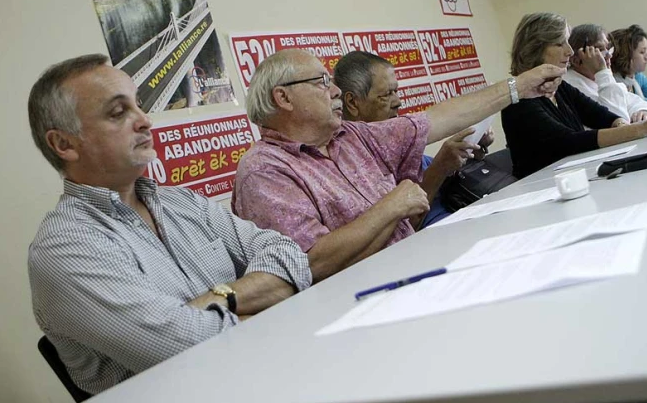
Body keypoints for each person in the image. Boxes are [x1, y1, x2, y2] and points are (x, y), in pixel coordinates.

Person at [27, 54, 312, 394]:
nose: (145, 120)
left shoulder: (178, 201)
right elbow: (189, 350)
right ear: (64, 144)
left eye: (139, 105)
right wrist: (264, 300)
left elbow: (289, 254)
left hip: (270, 375)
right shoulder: (63, 249)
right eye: (119, 112)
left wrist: (217, 300)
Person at [232, 48, 564, 282]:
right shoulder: (264, 172)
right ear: (284, 98)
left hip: (420, 270)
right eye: (320, 81)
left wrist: (516, 88)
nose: (334, 90)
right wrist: (392, 206)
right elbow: (310, 263)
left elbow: (436, 119)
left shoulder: (352, 136)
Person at [333, 50, 493, 227]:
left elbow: (448, 184)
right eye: (386, 95)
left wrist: (470, 150)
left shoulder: (402, 142)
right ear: (353, 103)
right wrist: (440, 167)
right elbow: (402, 228)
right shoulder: (355, 165)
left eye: (396, 91)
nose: (398, 102)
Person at [501, 13, 647, 179]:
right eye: (560, 44)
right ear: (536, 48)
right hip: (541, 187)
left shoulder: (559, 86)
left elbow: (600, 114)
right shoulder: (517, 100)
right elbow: (570, 142)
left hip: (573, 179)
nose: (569, 51)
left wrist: (621, 124)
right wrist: (642, 129)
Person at [564, 24, 647, 123]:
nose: (608, 55)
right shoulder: (570, 86)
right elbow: (617, 121)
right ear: (576, 60)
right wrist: (602, 72)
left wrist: (644, 110)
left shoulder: (597, 78)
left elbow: (635, 101)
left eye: (608, 49)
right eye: (599, 50)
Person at [609, 25, 647, 107]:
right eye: (642, 52)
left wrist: (645, 104)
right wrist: (645, 106)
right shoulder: (613, 86)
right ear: (626, 55)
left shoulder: (637, 76)